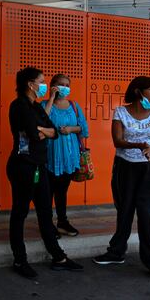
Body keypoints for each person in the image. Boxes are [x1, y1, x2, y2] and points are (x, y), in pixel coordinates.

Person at [7, 67, 83, 279]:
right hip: (22, 167)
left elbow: (52, 132)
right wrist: (41, 131)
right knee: (20, 213)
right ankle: (20, 260)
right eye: (41, 82)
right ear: (30, 84)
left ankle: (58, 257)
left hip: (39, 166)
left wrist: (41, 130)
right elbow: (33, 134)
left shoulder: (36, 107)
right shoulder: (19, 106)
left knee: (44, 213)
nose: (44, 86)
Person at [92, 76, 150, 285]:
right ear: (138, 91)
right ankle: (116, 252)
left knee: (148, 215)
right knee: (124, 211)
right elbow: (117, 140)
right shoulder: (120, 112)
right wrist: (138, 145)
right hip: (124, 168)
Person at [42, 74, 89, 237]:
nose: (64, 87)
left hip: (69, 157)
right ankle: (47, 225)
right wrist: (51, 98)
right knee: (47, 192)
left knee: (62, 191)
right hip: (49, 156)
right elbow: (40, 122)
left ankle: (62, 222)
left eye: (67, 85)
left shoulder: (74, 106)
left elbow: (84, 129)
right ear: (52, 86)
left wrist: (70, 129)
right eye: (60, 84)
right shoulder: (43, 105)